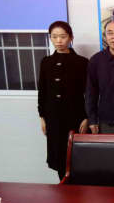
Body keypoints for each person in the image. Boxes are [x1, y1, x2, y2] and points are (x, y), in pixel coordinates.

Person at [37, 21, 89, 180]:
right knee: (59, 160)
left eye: (63, 36)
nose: (58, 40)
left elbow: (90, 93)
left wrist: (87, 117)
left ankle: (78, 194)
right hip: (53, 118)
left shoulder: (82, 62)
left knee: (78, 159)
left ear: (71, 37)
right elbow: (42, 91)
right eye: (54, 37)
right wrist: (42, 116)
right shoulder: (46, 62)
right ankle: (64, 192)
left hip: (76, 117)